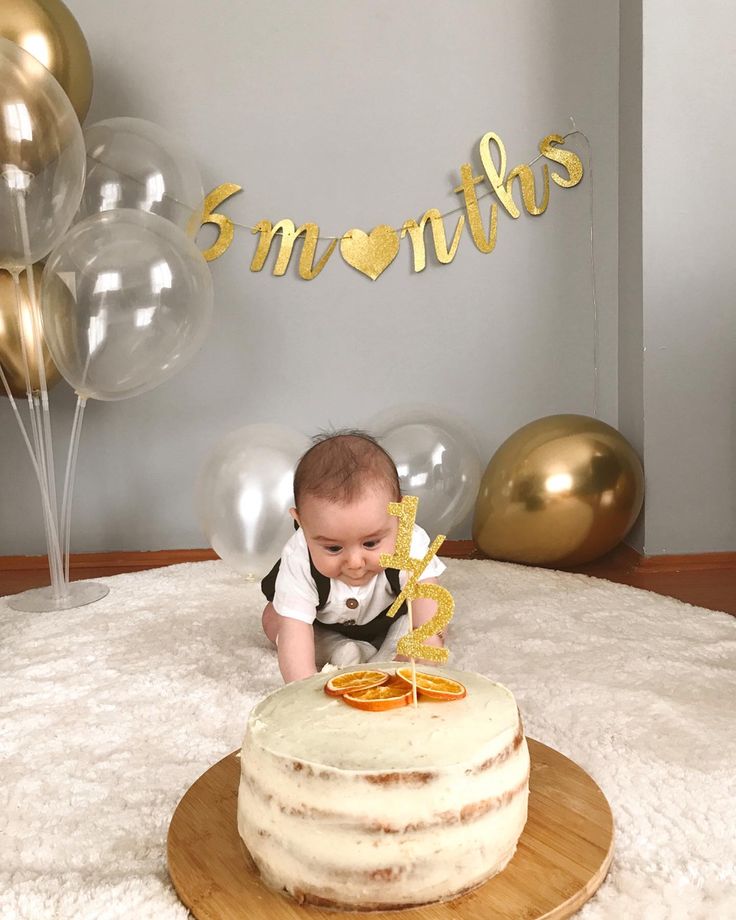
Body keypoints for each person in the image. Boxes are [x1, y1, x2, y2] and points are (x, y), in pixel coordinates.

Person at [261, 431, 446, 683]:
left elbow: (427, 596)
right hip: (323, 623)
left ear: (401, 515)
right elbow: (295, 629)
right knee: (274, 618)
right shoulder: (299, 556)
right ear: (302, 523)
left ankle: (392, 652)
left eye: (370, 543)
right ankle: (338, 649)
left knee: (415, 621)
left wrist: (427, 637)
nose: (355, 563)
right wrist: (302, 687)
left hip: (388, 617)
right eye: (334, 548)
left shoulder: (409, 540)